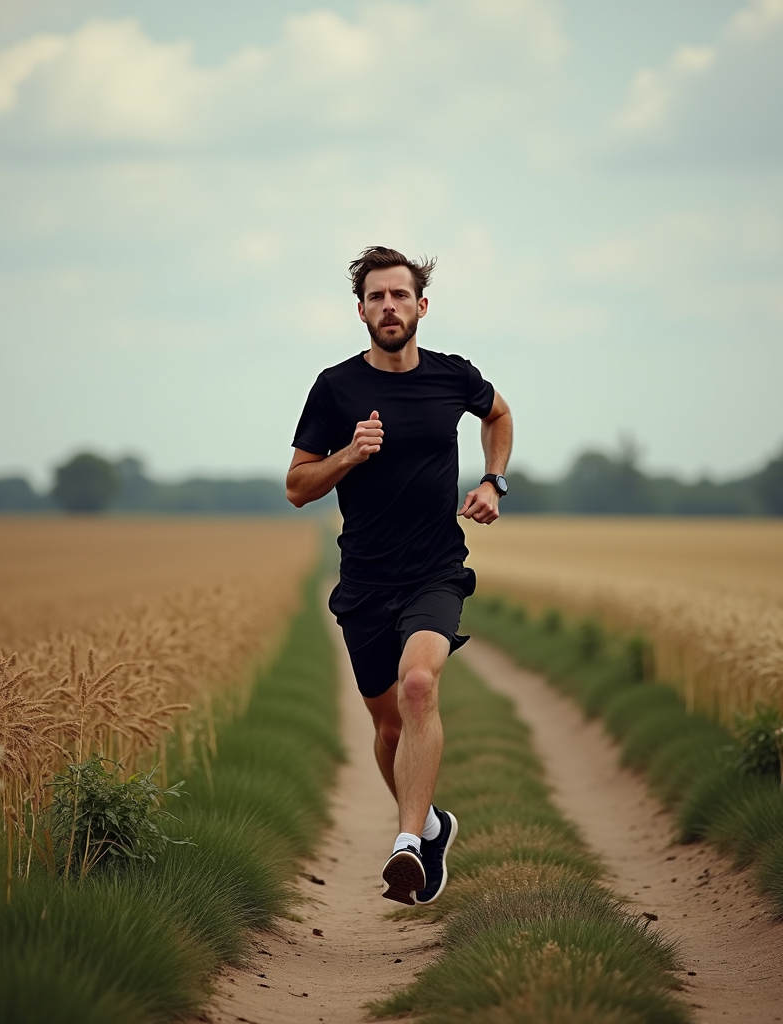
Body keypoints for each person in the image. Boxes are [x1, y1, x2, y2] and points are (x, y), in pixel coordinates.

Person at [286, 245, 512, 906]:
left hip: (436, 570)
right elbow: (298, 486)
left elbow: (498, 414)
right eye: (377, 297)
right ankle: (434, 825)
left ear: (421, 306)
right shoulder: (336, 388)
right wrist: (349, 455)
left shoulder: (452, 376)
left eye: (400, 295)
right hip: (363, 581)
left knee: (419, 686)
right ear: (361, 310)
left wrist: (494, 481)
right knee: (389, 729)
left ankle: (406, 844)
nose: (389, 306)